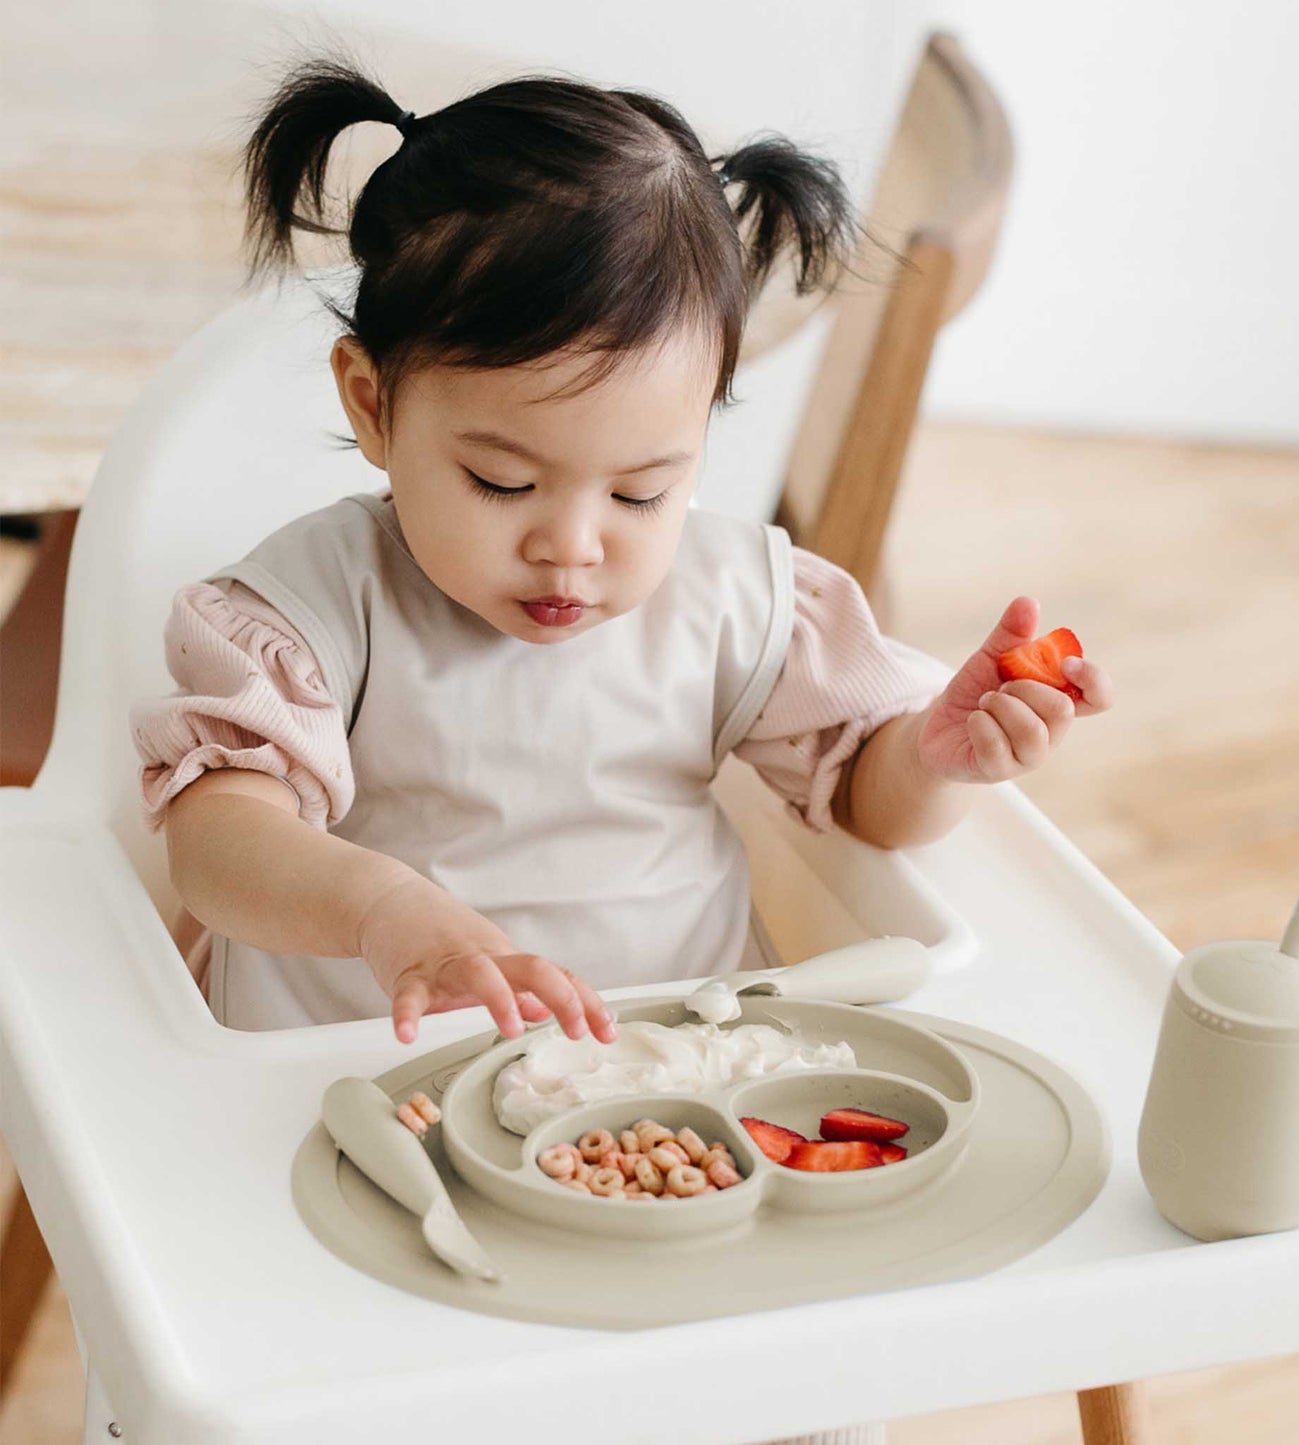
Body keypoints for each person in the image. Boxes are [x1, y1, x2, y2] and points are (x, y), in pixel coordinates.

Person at [131, 55, 1112, 1442]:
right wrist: (383, 905)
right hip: (358, 1125)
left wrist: (935, 754)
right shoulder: (312, 609)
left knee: (821, 1382)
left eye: (644, 486)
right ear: (371, 403)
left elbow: (862, 808)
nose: (572, 543)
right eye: (502, 480)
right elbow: (217, 841)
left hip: (677, 1111)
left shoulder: (731, 599)